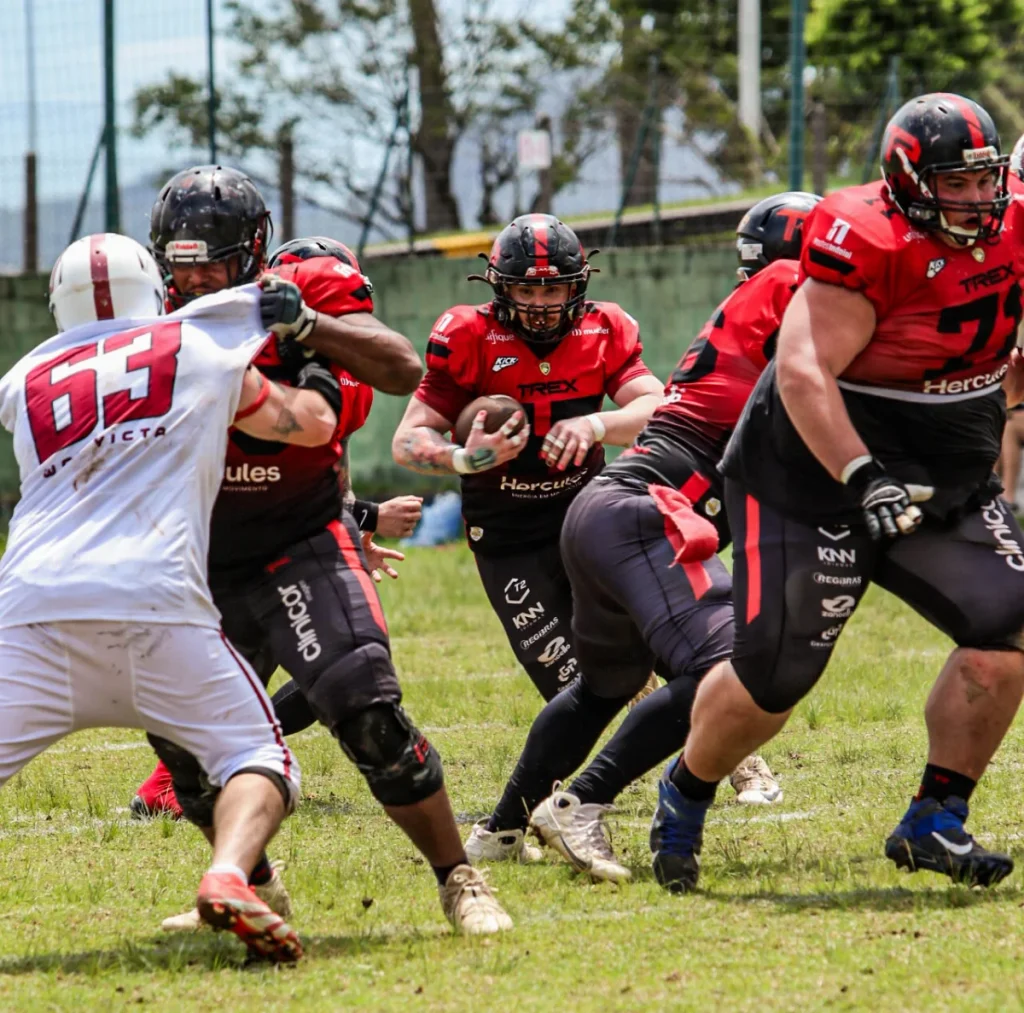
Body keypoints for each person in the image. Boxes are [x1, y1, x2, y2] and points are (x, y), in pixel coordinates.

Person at [109, 165, 510, 937]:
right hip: (194, 558)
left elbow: (400, 368)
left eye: (211, 262)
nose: (194, 279)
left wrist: (305, 326)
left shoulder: (292, 304)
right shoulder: (146, 322)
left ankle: (459, 876)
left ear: (253, 254)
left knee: (366, 711)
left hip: (298, 541)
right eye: (181, 262)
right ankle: (253, 881)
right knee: (183, 751)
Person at [649, 93, 1024, 894]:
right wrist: (862, 475)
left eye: (986, 181)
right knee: (776, 676)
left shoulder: (1013, 221)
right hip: (811, 476)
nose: (976, 200)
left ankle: (934, 818)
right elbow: (803, 369)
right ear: (907, 180)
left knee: (1009, 626)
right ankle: (686, 786)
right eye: (955, 184)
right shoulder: (867, 234)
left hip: (942, 476)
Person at [469, 193, 818, 880]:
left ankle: (501, 827)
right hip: (646, 512)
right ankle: (584, 799)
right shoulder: (791, 292)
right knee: (733, 661)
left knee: (607, 684)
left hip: (605, 508)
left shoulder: (759, 303)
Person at [7, 231, 333, 961]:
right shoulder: (196, 336)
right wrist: (313, 369)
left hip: (32, 606)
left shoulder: (22, 374)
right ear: (156, 291)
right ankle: (227, 871)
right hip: (154, 597)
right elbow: (307, 424)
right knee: (260, 756)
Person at [392, 214, 665, 703]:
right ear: (501, 289)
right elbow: (408, 439)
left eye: (552, 292)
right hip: (508, 535)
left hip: (588, 516)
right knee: (572, 688)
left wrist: (595, 424)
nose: (539, 306)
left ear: (576, 287)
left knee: (667, 634)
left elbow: (656, 407)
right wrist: (465, 458)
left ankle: (739, 766)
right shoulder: (467, 336)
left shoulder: (604, 329)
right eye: (526, 292)